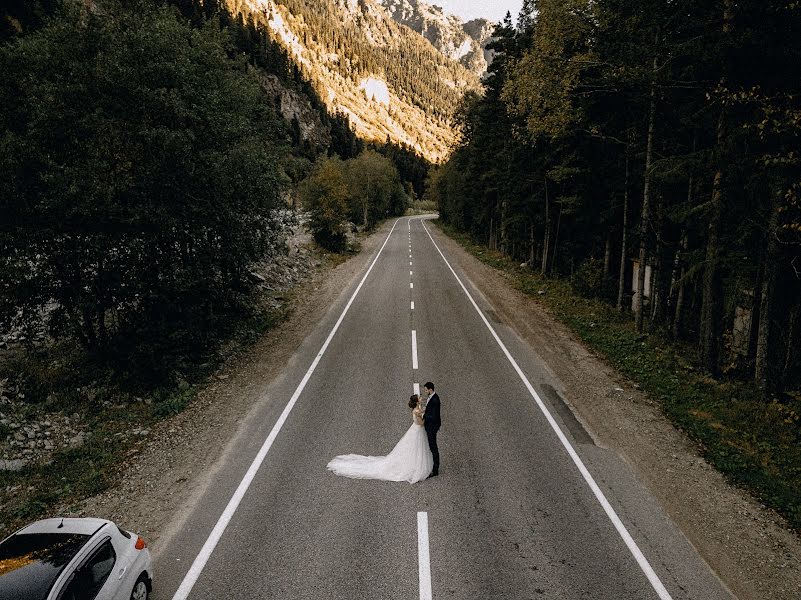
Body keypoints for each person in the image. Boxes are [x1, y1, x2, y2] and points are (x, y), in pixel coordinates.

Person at [326, 394, 433, 484]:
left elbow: (422, 410)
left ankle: (414, 464)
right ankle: (414, 467)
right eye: (419, 397)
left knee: (415, 449)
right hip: (417, 430)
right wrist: (426, 418)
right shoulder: (416, 412)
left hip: (416, 431)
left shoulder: (418, 409)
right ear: (416, 401)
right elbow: (421, 423)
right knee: (416, 448)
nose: (421, 398)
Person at [422, 382, 441, 478]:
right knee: (431, 446)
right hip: (430, 426)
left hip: (432, 427)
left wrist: (424, 416)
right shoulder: (432, 397)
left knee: (433, 447)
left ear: (430, 389)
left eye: (426, 390)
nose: (425, 392)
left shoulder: (435, 400)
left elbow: (433, 416)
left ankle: (435, 469)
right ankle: (433, 466)